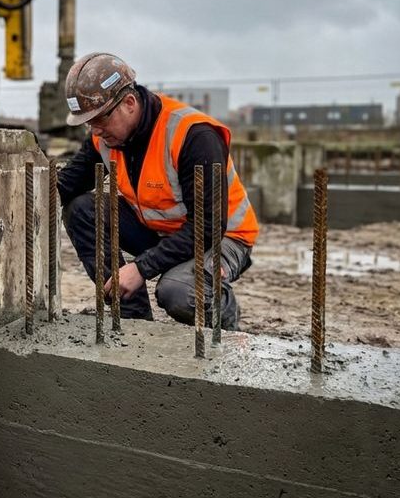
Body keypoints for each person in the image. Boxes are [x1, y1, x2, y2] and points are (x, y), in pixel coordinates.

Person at [57, 52, 259, 328]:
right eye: (89, 123)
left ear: (129, 103)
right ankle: (134, 321)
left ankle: (226, 324)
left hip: (220, 238)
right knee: (80, 209)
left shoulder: (193, 136)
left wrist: (141, 268)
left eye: (100, 120)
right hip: (161, 231)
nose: (95, 130)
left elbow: (208, 226)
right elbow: (65, 187)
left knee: (178, 291)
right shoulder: (105, 135)